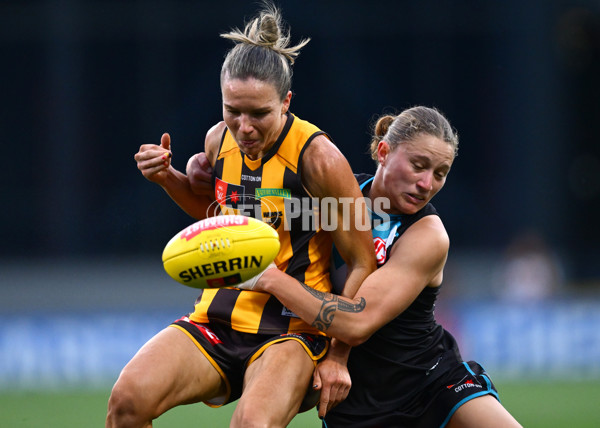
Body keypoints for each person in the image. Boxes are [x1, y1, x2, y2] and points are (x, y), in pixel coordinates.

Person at [108, 3, 375, 427]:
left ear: (286, 102)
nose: (244, 126)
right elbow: (220, 218)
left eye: (259, 113)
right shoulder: (218, 140)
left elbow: (363, 261)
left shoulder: (319, 159)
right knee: (126, 402)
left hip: (293, 332)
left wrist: (340, 355)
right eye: (233, 110)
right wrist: (169, 178)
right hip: (216, 318)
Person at [239, 106, 523, 427]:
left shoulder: (427, 235)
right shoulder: (338, 198)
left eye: (440, 173)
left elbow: (357, 321)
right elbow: (256, 202)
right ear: (384, 152)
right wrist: (184, 178)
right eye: (418, 166)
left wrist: (270, 279)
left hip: (431, 381)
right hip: (354, 402)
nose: (427, 183)